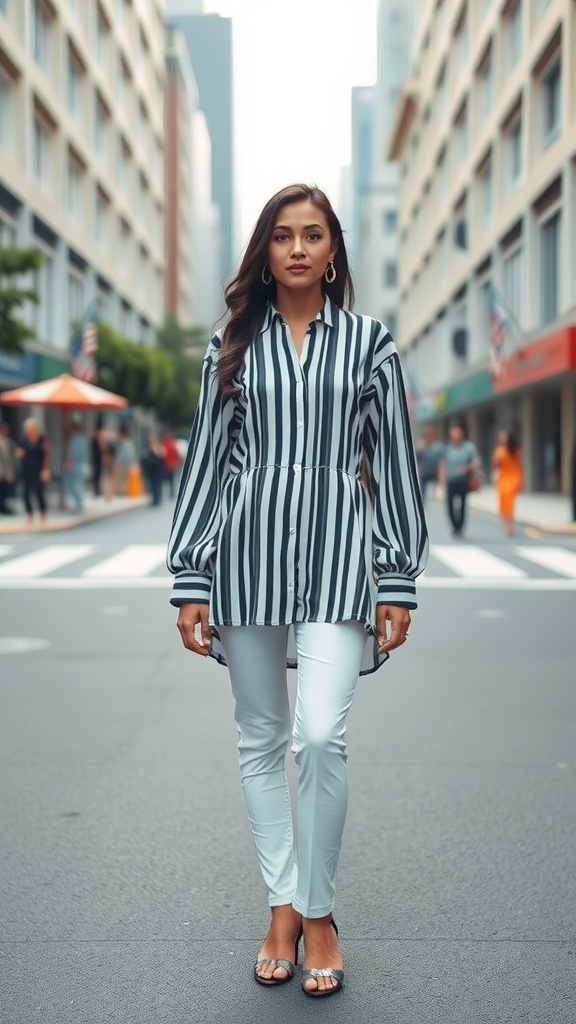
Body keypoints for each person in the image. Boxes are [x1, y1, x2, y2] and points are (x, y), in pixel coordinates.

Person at [167, 183, 428, 998]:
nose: (299, 249)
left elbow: (392, 465)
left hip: (340, 561)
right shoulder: (229, 348)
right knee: (259, 738)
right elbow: (207, 464)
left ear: (334, 249)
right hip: (244, 558)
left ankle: (320, 913)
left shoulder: (371, 345)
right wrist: (189, 575)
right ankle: (281, 905)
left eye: (314, 235)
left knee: (319, 739)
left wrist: (397, 576)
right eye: (283, 236)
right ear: (265, 251)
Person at [439, 422, 481, 538]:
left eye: (457, 432)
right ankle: (455, 526)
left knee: (462, 505)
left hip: (463, 481)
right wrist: (441, 479)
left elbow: (477, 463)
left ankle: (460, 528)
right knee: (450, 506)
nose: (455, 434)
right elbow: (443, 463)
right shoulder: (447, 448)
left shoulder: (468, 447)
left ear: (462, 433)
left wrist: (467, 468)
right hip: (450, 480)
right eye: (453, 432)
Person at [17, 417, 50, 524]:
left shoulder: (41, 440)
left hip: (38, 469)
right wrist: (19, 454)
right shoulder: (23, 441)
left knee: (39, 491)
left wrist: (46, 470)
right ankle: (29, 514)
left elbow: (46, 455)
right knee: (25, 493)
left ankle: (42, 512)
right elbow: (18, 454)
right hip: (26, 469)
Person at [491, 430, 523, 536]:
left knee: (510, 503)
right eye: (500, 437)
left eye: (504, 437)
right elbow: (495, 465)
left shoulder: (515, 450)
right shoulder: (498, 450)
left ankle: (509, 525)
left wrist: (521, 481)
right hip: (502, 479)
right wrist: (498, 461)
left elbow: (519, 466)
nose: (502, 439)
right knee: (502, 503)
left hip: (513, 478)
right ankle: (506, 523)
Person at [63, 420, 87, 513]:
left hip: (74, 466)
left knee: (72, 486)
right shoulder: (81, 440)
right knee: (74, 485)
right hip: (78, 466)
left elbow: (73, 454)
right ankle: (78, 504)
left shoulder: (76, 440)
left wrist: (68, 463)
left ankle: (79, 504)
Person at [416, 426, 443, 500]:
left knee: (435, 495)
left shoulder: (437, 448)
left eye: (430, 436)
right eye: (427, 436)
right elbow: (417, 459)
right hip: (424, 474)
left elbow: (441, 463)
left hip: (434, 474)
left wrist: (441, 478)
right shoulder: (421, 447)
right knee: (422, 494)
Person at [142, 432, 164, 506]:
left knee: (157, 484)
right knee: (152, 484)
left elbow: (161, 456)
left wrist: (155, 449)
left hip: (157, 469)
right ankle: (154, 498)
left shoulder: (158, 447)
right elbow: (144, 457)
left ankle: (157, 499)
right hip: (150, 469)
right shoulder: (147, 448)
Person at [0, 421, 17, 515]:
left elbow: (11, 458)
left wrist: (11, 472)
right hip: (1, 471)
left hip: (8, 470)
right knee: (1, 490)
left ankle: (5, 507)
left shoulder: (9, 442)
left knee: (6, 490)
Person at [115, 424, 136, 496]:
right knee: (120, 480)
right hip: (119, 464)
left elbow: (129, 456)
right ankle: (121, 493)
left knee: (124, 480)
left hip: (125, 465)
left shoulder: (128, 443)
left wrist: (130, 465)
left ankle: (123, 493)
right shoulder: (120, 443)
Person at [161, 431, 181, 498]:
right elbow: (176, 455)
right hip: (172, 465)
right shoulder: (173, 445)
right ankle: (172, 492)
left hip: (166, 465)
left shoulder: (164, 445)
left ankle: (168, 492)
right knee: (171, 479)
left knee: (167, 479)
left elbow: (163, 455)